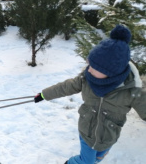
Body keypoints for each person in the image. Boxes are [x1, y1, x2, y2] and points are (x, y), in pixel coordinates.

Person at [34, 25, 146, 164]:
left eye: (95, 67)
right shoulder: (86, 79)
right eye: (90, 64)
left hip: (108, 137)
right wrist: (44, 95)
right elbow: (64, 87)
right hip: (87, 131)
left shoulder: (132, 91)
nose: (89, 69)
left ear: (111, 73)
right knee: (87, 161)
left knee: (97, 158)